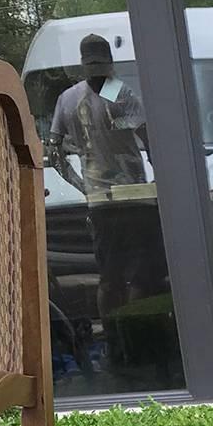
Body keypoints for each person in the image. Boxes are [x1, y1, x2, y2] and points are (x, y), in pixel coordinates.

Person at [48, 34, 163, 317]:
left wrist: (81, 185)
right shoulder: (116, 91)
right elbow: (148, 138)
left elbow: (54, 152)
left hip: (100, 200)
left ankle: (116, 335)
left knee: (111, 276)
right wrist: (159, 179)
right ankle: (133, 330)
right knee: (141, 275)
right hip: (133, 197)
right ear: (109, 63)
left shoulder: (68, 98)